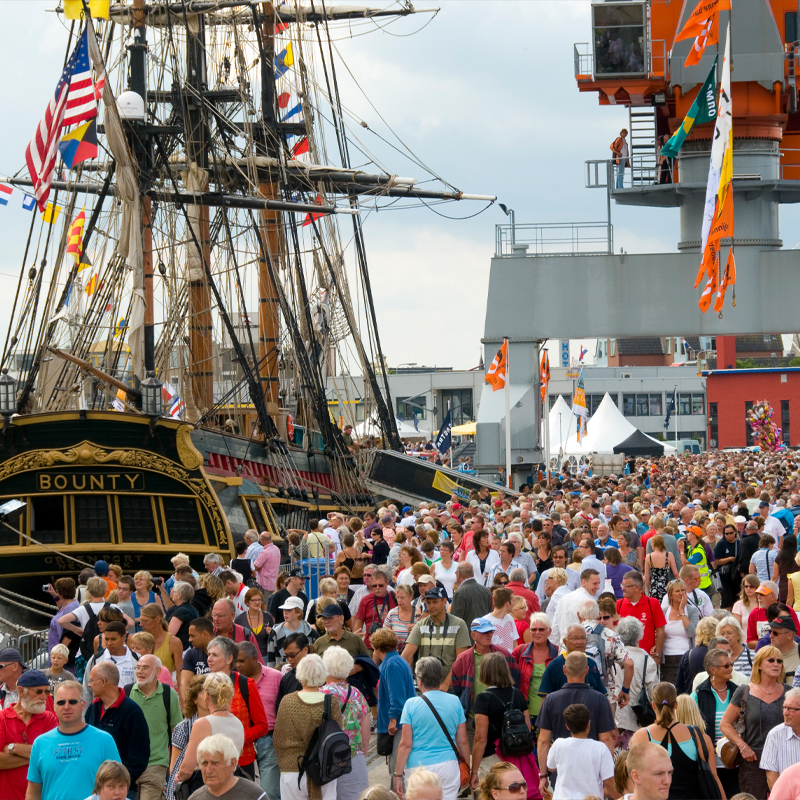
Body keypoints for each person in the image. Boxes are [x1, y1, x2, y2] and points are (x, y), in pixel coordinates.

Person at [26, 680, 120, 800]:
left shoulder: (104, 741)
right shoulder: (40, 743)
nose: (66, 707)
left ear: (83, 705)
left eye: (73, 702)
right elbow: (33, 791)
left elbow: (118, 788)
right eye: (61, 702)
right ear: (54, 707)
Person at [629, 681, 723, 799]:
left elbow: (635, 779)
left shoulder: (643, 736)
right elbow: (713, 776)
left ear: (653, 706)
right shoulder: (696, 735)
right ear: (676, 705)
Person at [537, 653, 616, 792]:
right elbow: (606, 739)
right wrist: (608, 776)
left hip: (562, 772)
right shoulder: (600, 700)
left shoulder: (550, 700)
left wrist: (543, 775)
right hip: (592, 773)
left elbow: (543, 741)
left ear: (564, 669)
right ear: (586, 670)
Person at [720, 645, 789, 799]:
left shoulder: (789, 693)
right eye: (771, 660)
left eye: (779, 661)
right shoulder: (745, 691)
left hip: (784, 761)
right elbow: (725, 724)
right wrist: (742, 746)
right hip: (753, 762)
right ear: (759, 665)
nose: (776, 664)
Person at [395, 657, 469, 800]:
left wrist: (397, 775)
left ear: (420, 681)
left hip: (418, 767)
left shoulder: (411, 704)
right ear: (440, 678)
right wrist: (468, 767)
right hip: (448, 765)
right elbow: (463, 741)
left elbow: (405, 744)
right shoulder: (455, 701)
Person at [273, 653, 344, 800]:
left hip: (292, 770)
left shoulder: (287, 701)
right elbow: (337, 736)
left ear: (299, 675)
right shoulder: (330, 702)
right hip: (323, 770)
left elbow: (278, 739)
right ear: (324, 675)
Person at [205, 637, 269, 778]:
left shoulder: (246, 684)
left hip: (241, 761)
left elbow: (262, 726)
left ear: (229, 659)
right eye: (208, 654)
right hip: (210, 762)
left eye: (214, 655)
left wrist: (236, 738)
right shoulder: (202, 685)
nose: (209, 658)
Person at [470, 653, 530, 788]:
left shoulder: (483, 699)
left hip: (492, 758)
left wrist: (474, 771)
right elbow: (527, 727)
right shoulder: (517, 694)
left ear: (484, 672)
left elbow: (480, 739)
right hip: (515, 756)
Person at [320, 646, 371, 800]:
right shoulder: (357, 694)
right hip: (354, 758)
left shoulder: (320, 694)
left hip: (327, 760)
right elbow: (366, 735)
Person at [179, 672, 245, 787]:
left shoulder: (203, 723)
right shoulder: (238, 723)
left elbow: (186, 770)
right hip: (231, 785)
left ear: (207, 695)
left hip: (207, 786)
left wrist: (179, 777)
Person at [234, 642, 281, 800]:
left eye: (241, 661)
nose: (238, 665)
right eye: (236, 661)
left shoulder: (275, 677)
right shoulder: (233, 681)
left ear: (254, 658)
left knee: (269, 791)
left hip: (268, 740)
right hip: (242, 743)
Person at [0, 670, 57, 800]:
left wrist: (13, 748)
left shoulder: (50, 719)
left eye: (47, 692)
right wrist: (39, 756)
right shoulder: (2, 718)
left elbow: (53, 756)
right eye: (38, 691)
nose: (44, 696)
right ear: (21, 691)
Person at [691, 648, 739, 798]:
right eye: (726, 666)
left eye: (731, 664)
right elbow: (691, 728)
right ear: (713, 669)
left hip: (735, 761)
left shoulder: (737, 692)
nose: (731, 668)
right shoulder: (698, 694)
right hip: (709, 764)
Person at [402, 588, 470, 691]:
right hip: (425, 687)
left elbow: (461, 660)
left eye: (435, 602)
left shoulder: (459, 625)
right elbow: (406, 655)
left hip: (451, 687)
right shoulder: (421, 625)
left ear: (444, 601)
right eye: (428, 603)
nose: (431, 606)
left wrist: (446, 684)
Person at [545, 703, 616, 800]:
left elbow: (551, 767)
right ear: (588, 725)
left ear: (567, 726)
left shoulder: (558, 744)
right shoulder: (600, 748)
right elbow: (609, 781)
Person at [371, 627, 416, 780]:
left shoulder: (391, 665)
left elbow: (396, 697)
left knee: (397, 770)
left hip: (398, 724)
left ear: (376, 648)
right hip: (402, 721)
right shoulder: (397, 661)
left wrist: (393, 719)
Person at [615, 617, 659, 745]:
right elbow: (653, 693)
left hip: (615, 717)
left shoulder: (612, 656)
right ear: (640, 635)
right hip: (638, 719)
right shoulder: (646, 660)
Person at [189, 733, 266, 800]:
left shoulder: (254, 795)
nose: (208, 770)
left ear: (232, 764)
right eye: (204, 763)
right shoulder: (195, 798)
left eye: (215, 763)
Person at [512, 612, 557, 729]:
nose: (537, 633)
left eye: (541, 629)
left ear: (549, 631)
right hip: (525, 712)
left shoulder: (558, 653)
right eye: (533, 629)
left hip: (551, 713)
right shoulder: (520, 652)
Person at [167, 675, 207, 800]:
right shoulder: (184, 727)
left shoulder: (223, 722)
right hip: (190, 789)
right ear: (194, 699)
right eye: (204, 692)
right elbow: (174, 768)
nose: (208, 696)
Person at [537, 625, 606, 697]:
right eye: (575, 638)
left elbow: (601, 694)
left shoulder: (591, 664)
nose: (579, 642)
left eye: (582, 638)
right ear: (565, 642)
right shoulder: (554, 666)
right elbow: (545, 698)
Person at [81, 621, 138, 702]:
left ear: (123, 637)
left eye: (113, 639)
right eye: (106, 639)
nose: (109, 643)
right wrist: (85, 714)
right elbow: (86, 690)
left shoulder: (137, 659)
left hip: (128, 710)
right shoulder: (96, 659)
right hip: (102, 710)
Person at [758, 685, 800, 790]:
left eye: (790, 709)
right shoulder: (775, 735)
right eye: (784, 707)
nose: (785, 713)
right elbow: (771, 776)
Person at [617, 571, 666, 660]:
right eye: (622, 585)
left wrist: (658, 654)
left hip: (647, 659)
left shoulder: (652, 603)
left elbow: (660, 631)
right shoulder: (618, 605)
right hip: (624, 660)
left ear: (637, 587)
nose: (622, 589)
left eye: (626, 586)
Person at [661, 579, 699, 685]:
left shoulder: (692, 610)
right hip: (668, 658)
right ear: (670, 595)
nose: (681, 593)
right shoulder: (663, 611)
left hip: (687, 656)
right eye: (677, 591)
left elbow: (692, 632)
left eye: (683, 590)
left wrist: (682, 612)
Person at [354, 570, 398, 650]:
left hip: (390, 645)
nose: (377, 588)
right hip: (370, 645)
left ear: (387, 583)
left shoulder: (395, 597)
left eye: (381, 585)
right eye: (374, 586)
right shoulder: (365, 600)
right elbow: (358, 623)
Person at [138, 603, 184, 679]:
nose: (141, 624)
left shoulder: (173, 642)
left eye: (145, 621)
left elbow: (180, 673)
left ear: (157, 619)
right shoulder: (139, 641)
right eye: (141, 621)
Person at [450, 563, 493, 631]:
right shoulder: (486, 591)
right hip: (484, 634)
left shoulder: (460, 592)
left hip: (466, 637)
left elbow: (455, 620)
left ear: (458, 574)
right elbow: (490, 614)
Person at [234, 589, 273, 661]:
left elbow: (274, 639)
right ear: (247, 602)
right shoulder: (239, 619)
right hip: (247, 658)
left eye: (259, 600)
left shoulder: (267, 616)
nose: (257, 602)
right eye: (254, 600)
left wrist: (272, 632)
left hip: (265, 657)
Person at [164, 582, 200, 650]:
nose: (172, 593)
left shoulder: (181, 612)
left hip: (181, 649)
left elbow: (169, 634)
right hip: (189, 647)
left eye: (174, 592)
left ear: (179, 595)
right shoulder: (192, 609)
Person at [482, 588, 519, 653]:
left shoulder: (510, 618)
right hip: (493, 661)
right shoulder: (485, 621)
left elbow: (514, 643)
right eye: (513, 601)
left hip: (509, 661)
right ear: (507, 603)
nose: (514, 604)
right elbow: (481, 647)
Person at [643, 536, 678, 603]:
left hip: (654, 586)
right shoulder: (669, 555)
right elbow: (675, 573)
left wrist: (647, 591)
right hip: (666, 585)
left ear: (653, 543)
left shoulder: (649, 557)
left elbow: (646, 577)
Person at [182, 617, 215, 687]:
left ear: (205, 634)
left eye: (192, 636)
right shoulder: (191, 655)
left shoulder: (225, 652)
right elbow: (185, 683)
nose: (189, 640)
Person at [382, 585, 417, 650]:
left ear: (411, 597)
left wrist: (417, 627)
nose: (399, 600)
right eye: (397, 597)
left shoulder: (418, 613)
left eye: (402, 598)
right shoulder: (392, 613)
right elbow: (384, 635)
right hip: (396, 651)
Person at [768, 616, 800, 682]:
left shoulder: (798, 652)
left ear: (789, 635)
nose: (770, 636)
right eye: (770, 631)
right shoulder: (765, 654)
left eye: (775, 633)